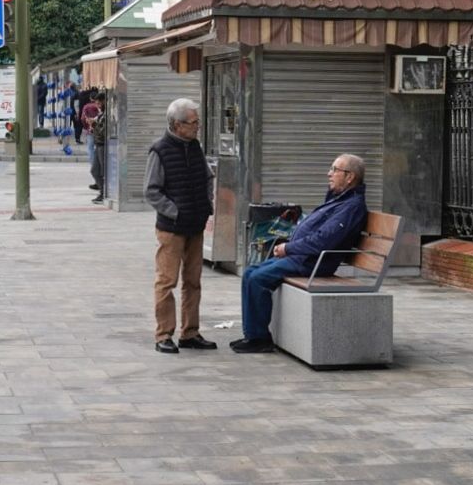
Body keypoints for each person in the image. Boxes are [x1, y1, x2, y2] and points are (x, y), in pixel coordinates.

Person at [233, 154, 370, 354]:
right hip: (303, 257)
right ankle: (253, 335)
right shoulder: (339, 200)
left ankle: (259, 338)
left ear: (349, 177)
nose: (329, 174)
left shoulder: (351, 206)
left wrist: (289, 248)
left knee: (258, 278)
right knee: (250, 273)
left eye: (334, 170)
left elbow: (324, 240)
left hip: (314, 262)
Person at [147, 98, 216, 355]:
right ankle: (164, 334)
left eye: (198, 121)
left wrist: (206, 204)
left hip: (196, 225)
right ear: (177, 125)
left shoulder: (195, 146)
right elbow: (151, 191)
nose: (198, 126)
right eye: (193, 122)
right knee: (166, 281)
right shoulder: (160, 150)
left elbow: (208, 176)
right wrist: (175, 213)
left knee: (193, 280)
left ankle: (190, 332)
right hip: (172, 228)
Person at [83, 91, 107, 201]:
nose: (97, 106)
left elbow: (104, 131)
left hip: (103, 146)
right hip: (99, 145)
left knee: (102, 171)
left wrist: (94, 125)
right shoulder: (101, 115)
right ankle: (102, 190)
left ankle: (104, 192)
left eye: (99, 103)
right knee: (95, 170)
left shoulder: (106, 115)